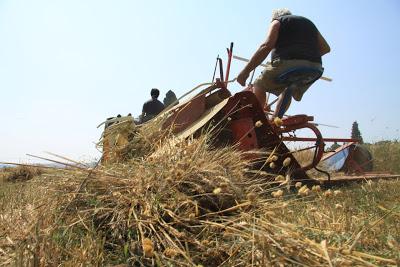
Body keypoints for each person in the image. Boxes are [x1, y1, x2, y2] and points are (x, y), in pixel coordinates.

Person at [237, 8, 330, 118]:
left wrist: (245, 72)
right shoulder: (309, 23)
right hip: (315, 68)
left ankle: (258, 119)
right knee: (287, 89)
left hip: (288, 62)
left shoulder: (277, 22)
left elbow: (266, 46)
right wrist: (306, 57)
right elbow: (326, 48)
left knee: (259, 85)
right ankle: (275, 122)